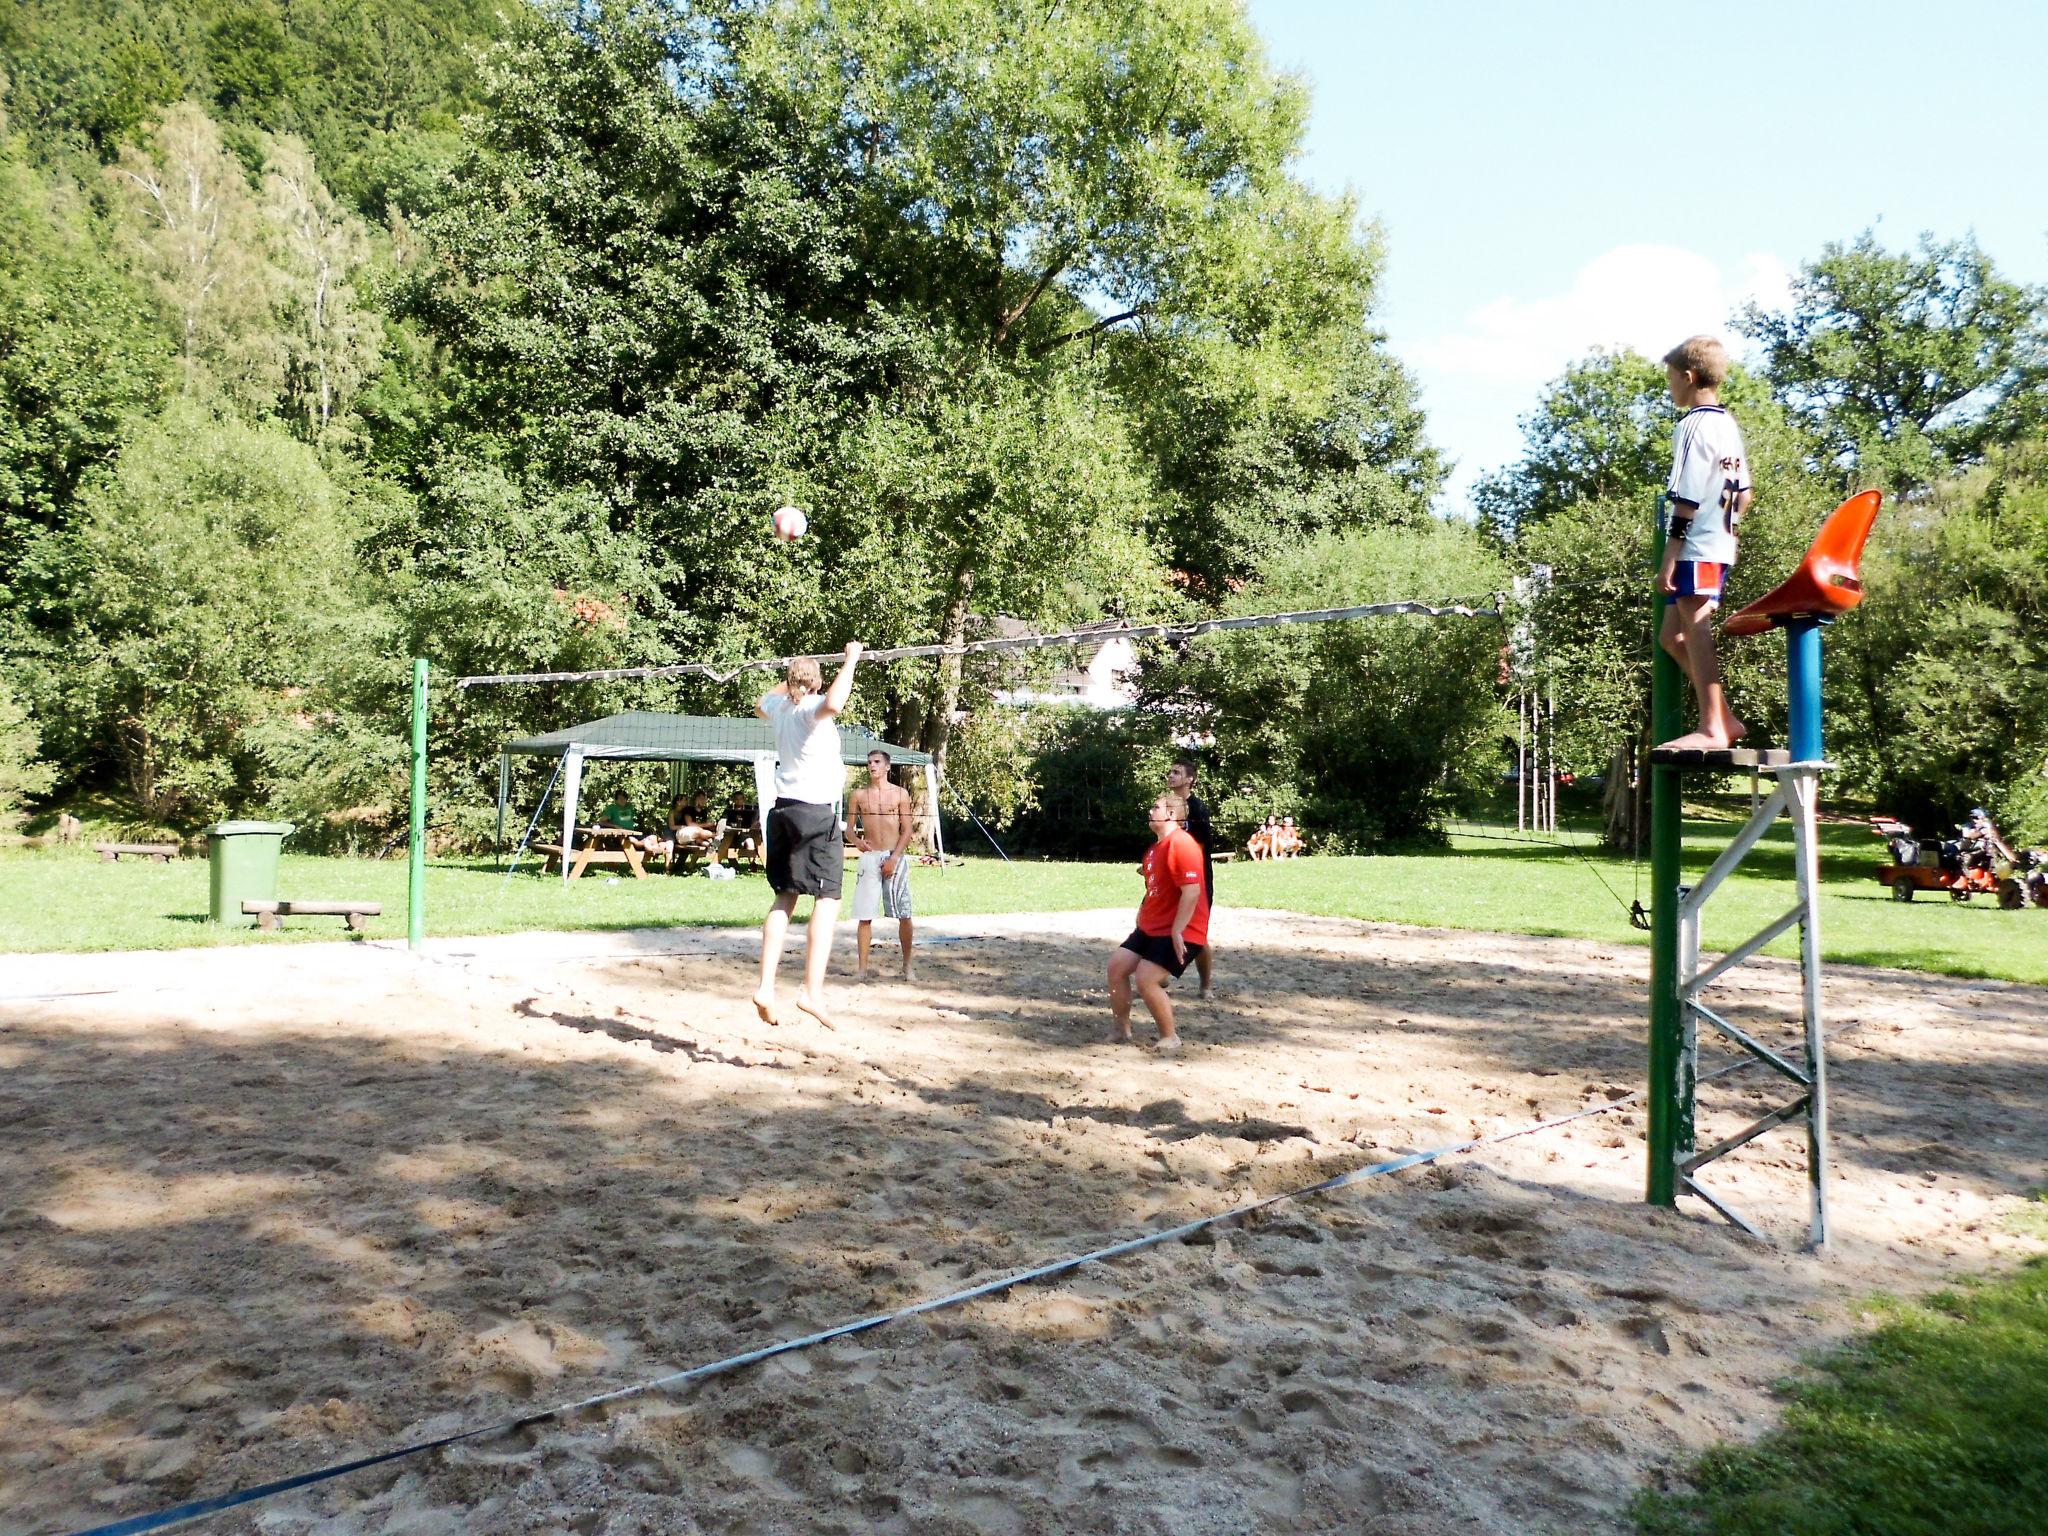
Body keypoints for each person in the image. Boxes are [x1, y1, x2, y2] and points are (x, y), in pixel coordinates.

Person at [753, 642, 862, 1027]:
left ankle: (766, 985)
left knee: (784, 897)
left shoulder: (781, 707)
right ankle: (811, 992)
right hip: (815, 813)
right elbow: (834, 703)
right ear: (816, 683)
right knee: (828, 899)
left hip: (783, 810)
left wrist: (790, 678)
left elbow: (759, 703)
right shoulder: (809, 711)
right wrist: (850, 660)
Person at [1656, 334, 1753, 751]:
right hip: (1720, 542)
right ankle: (1725, 718)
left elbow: (1687, 496)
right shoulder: (1726, 423)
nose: (1669, 386)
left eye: (1671, 377)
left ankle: (1712, 727)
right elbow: (1745, 494)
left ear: (1689, 376)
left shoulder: (1693, 426)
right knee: (1671, 637)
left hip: (1696, 546)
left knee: (1694, 629)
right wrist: (1723, 532)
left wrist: (1670, 557)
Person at [1107, 790, 1210, 1054]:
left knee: (1146, 978)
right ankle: (1121, 1030)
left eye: (1156, 807)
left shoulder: (1182, 843)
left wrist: (1178, 930)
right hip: (1152, 927)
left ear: (1172, 814)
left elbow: (1192, 891)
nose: (1150, 812)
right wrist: (1142, 913)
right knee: (1117, 967)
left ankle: (1170, 1037)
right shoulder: (1153, 850)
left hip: (1183, 929)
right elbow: (1155, 889)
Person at [846, 749, 917, 981]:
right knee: (864, 916)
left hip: (894, 856)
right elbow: (848, 830)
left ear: (887, 766)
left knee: (904, 913)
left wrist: (894, 858)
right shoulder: (858, 794)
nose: (872, 766)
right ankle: (862, 970)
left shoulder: (900, 794)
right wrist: (858, 842)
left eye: (876, 762)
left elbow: (907, 830)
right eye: (869, 762)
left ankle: (907, 966)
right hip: (870, 856)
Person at [1164, 754, 1216, 999]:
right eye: (1170, 772)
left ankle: (1205, 985)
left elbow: (1203, 845)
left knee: (1197, 934)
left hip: (1196, 879)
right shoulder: (1167, 805)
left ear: (1190, 779)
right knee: (1160, 923)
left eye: (1176, 772)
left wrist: (1188, 873)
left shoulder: (1197, 809)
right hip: (1171, 878)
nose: (1170, 776)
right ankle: (1159, 974)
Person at [597, 789, 664, 855]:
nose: (622, 800)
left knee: (653, 837)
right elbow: (601, 822)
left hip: (633, 833)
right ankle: (650, 849)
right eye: (620, 798)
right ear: (616, 800)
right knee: (633, 840)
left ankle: (655, 850)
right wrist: (614, 826)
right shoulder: (611, 808)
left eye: (624, 798)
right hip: (620, 836)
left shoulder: (630, 807)